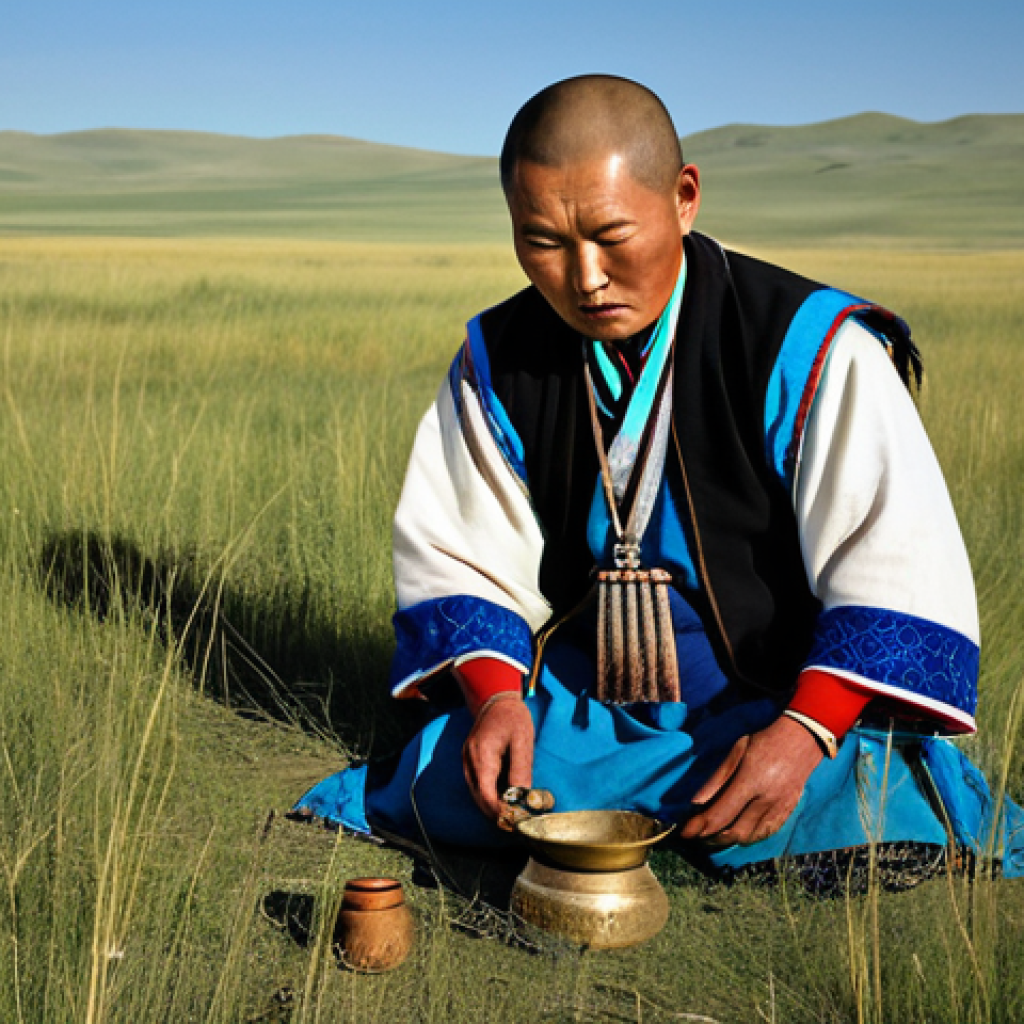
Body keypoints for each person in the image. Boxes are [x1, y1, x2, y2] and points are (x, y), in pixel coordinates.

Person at [296, 75, 1023, 886]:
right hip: (580, 714)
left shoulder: (812, 347)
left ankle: (774, 794)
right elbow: (460, 555)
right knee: (453, 774)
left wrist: (802, 735)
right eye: (542, 243)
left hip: (780, 705)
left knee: (877, 791)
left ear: (684, 197)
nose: (585, 277)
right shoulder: (495, 358)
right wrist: (498, 700)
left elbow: (893, 565)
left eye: (612, 235)